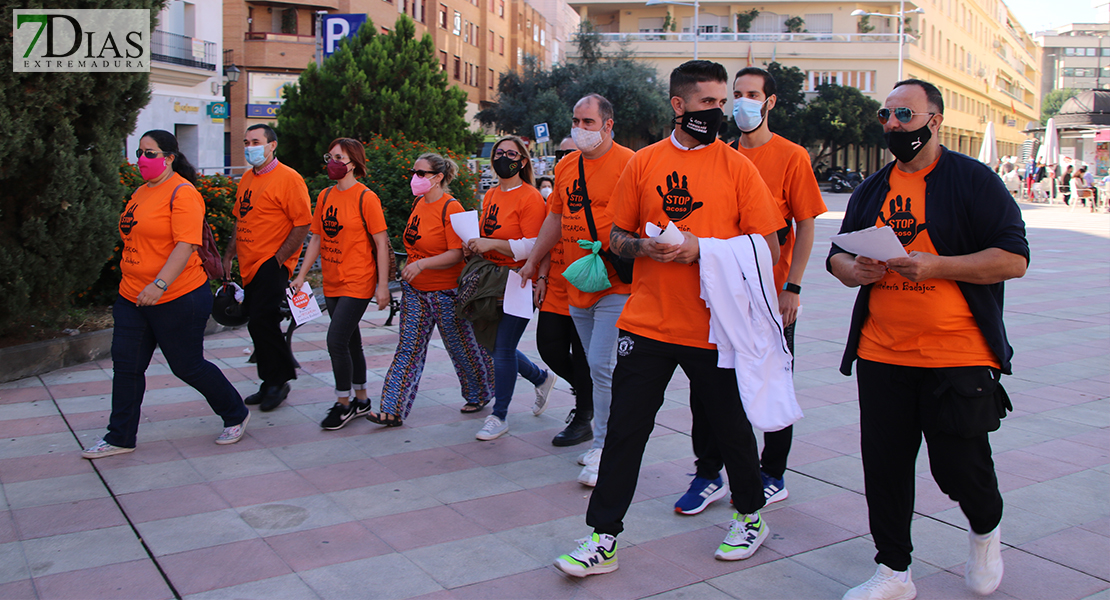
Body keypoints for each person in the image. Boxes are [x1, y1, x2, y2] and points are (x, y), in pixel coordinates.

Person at [553, 61, 784, 577]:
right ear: (679, 106)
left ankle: (750, 515)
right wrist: (647, 249)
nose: (719, 112)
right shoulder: (645, 163)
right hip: (647, 323)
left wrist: (702, 249)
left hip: (713, 326)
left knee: (730, 429)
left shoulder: (737, 167)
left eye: (722, 103)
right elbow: (615, 236)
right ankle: (602, 537)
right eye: (708, 103)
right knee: (625, 434)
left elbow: (766, 247)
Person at [828, 79, 1028, 600]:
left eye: (905, 115)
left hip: (956, 354)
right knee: (886, 467)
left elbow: (1013, 258)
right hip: (881, 353)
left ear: (934, 121)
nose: (893, 124)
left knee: (962, 468)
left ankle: (985, 531)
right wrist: (855, 269)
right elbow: (836, 255)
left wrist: (937, 266)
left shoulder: (973, 181)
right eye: (886, 115)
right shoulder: (873, 188)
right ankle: (894, 571)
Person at [673, 67, 828, 515]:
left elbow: (805, 225)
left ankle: (771, 473)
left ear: (770, 102)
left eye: (751, 94)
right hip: (719, 296)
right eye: (734, 95)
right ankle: (708, 474)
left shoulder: (791, 156)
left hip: (768, 295)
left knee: (771, 379)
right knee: (708, 389)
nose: (740, 103)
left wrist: (792, 287)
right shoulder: (716, 154)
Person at [82, 130, 250, 458]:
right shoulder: (141, 193)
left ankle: (235, 413)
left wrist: (158, 285)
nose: (142, 159)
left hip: (178, 296)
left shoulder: (183, 194)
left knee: (187, 366)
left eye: (150, 153)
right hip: (132, 297)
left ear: (169, 158)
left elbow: (186, 245)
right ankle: (119, 437)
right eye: (140, 152)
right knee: (126, 367)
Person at [521, 94, 636, 485]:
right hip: (578, 282)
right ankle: (605, 439)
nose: (580, 129)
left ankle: (606, 446)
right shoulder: (568, 165)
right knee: (593, 366)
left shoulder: (629, 163)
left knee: (603, 366)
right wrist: (535, 259)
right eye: (576, 121)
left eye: (588, 122)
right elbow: (556, 216)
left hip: (615, 283)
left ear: (608, 125)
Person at [365, 153, 495, 426]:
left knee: (461, 347)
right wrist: (415, 268)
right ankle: (392, 409)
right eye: (415, 171)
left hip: (446, 292)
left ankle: (480, 392)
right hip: (415, 291)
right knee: (408, 349)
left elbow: (456, 254)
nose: (415, 177)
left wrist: (423, 264)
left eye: (421, 173)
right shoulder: (418, 203)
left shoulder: (452, 208)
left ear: (438, 178)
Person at [289, 138, 391, 430]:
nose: (332, 162)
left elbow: (381, 243)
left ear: (354, 164)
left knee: (335, 340)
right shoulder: (324, 196)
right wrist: (301, 275)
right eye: (330, 156)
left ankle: (342, 403)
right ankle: (361, 399)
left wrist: (382, 285)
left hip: (358, 281)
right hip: (332, 280)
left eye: (339, 157)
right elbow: (317, 239)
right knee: (350, 341)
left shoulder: (366, 198)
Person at [466, 136, 557, 440]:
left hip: (518, 279)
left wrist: (491, 243)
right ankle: (540, 377)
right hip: (489, 279)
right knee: (494, 345)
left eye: (512, 153)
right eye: (499, 152)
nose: (504, 157)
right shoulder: (490, 195)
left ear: (523, 160)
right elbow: (487, 230)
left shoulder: (531, 197)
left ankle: (499, 415)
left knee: (502, 348)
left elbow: (534, 244)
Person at [223, 124, 312, 412]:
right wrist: (229, 254)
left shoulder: (289, 179)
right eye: (247, 141)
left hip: (271, 264)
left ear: (272, 145)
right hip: (249, 263)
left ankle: (278, 381)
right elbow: (241, 218)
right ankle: (270, 379)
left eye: (256, 141)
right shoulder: (248, 178)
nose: (250, 146)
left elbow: (302, 223)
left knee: (263, 321)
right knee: (257, 322)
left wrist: (279, 259)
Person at [534, 161, 596, 447]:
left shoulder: (603, 188)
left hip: (587, 283)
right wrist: (541, 275)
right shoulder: (556, 194)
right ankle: (589, 391)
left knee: (583, 356)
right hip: (557, 284)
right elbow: (548, 235)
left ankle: (584, 416)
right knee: (549, 348)